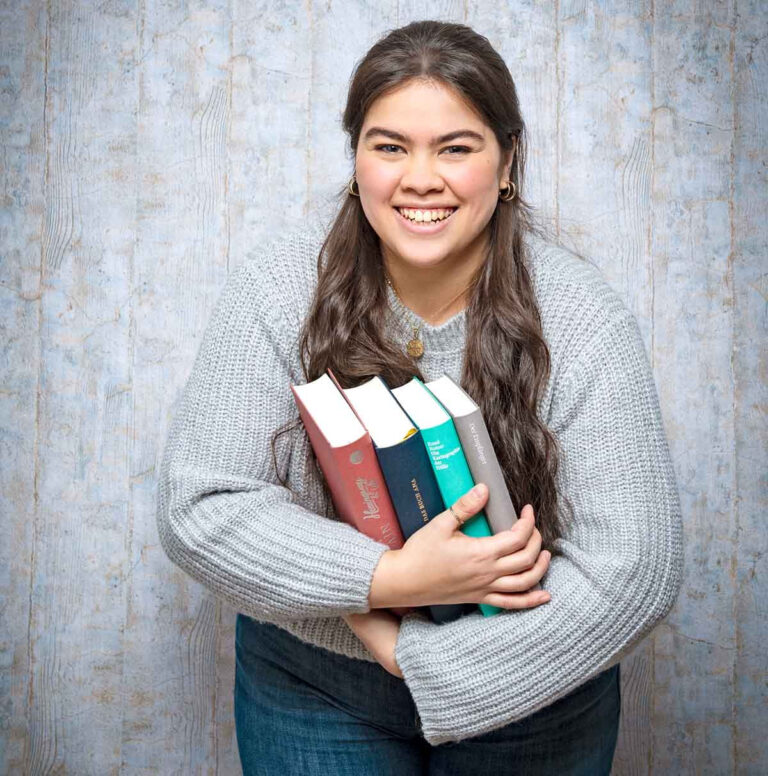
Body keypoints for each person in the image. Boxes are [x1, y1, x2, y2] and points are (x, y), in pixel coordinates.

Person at [156, 20, 683, 776]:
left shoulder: (583, 316)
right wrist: (392, 582)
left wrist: (416, 656)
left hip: (537, 684)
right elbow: (200, 505)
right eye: (390, 146)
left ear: (507, 164)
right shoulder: (276, 286)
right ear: (356, 160)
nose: (420, 178)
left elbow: (635, 569)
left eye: (456, 148)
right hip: (313, 681)